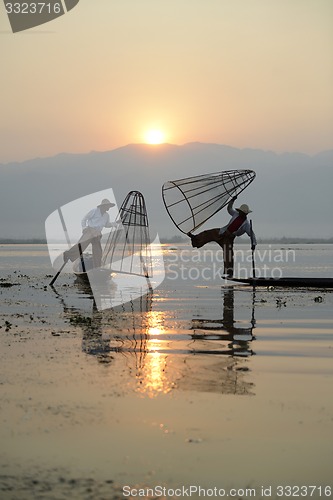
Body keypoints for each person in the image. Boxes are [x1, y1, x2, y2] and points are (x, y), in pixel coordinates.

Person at [189, 197, 256, 278]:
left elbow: (251, 234)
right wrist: (232, 200)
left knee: (229, 254)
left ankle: (229, 272)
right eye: (241, 212)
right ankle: (195, 239)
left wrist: (253, 244)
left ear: (246, 214)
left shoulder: (246, 224)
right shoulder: (236, 214)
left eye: (244, 213)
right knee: (208, 233)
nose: (242, 214)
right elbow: (229, 209)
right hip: (222, 232)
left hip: (229, 238)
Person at [63, 198, 118, 268]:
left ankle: (97, 267)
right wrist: (84, 228)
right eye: (107, 206)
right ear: (103, 206)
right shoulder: (94, 211)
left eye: (109, 206)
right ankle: (68, 254)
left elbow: (107, 225)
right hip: (90, 231)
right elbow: (84, 219)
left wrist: (115, 224)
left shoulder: (107, 215)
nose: (108, 208)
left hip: (97, 234)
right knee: (82, 245)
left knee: (98, 251)